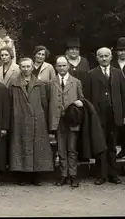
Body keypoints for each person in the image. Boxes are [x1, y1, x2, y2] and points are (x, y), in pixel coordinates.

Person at [85, 47, 125, 185]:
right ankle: (101, 175)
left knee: (112, 145)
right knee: (100, 145)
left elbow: (124, 96)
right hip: (98, 116)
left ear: (111, 57)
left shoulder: (118, 74)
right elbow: (87, 96)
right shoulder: (91, 74)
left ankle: (113, 174)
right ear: (97, 58)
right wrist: (90, 115)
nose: (104, 58)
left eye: (106, 56)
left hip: (114, 115)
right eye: (101, 56)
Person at [8, 58, 53, 186]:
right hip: (19, 119)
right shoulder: (14, 84)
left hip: (37, 120)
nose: (26, 69)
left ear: (32, 67)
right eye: (23, 67)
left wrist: (43, 119)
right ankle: (22, 175)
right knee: (20, 146)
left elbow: (44, 103)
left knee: (37, 147)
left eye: (28, 66)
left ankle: (36, 176)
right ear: (20, 68)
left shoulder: (39, 84)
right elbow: (10, 103)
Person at [48, 56, 84, 188]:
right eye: (59, 66)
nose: (62, 68)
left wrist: (78, 103)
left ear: (68, 66)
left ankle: (73, 175)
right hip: (58, 120)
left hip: (72, 120)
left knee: (72, 149)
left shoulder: (76, 82)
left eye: (64, 65)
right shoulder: (51, 82)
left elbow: (82, 100)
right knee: (61, 149)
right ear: (56, 67)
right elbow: (48, 102)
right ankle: (63, 175)